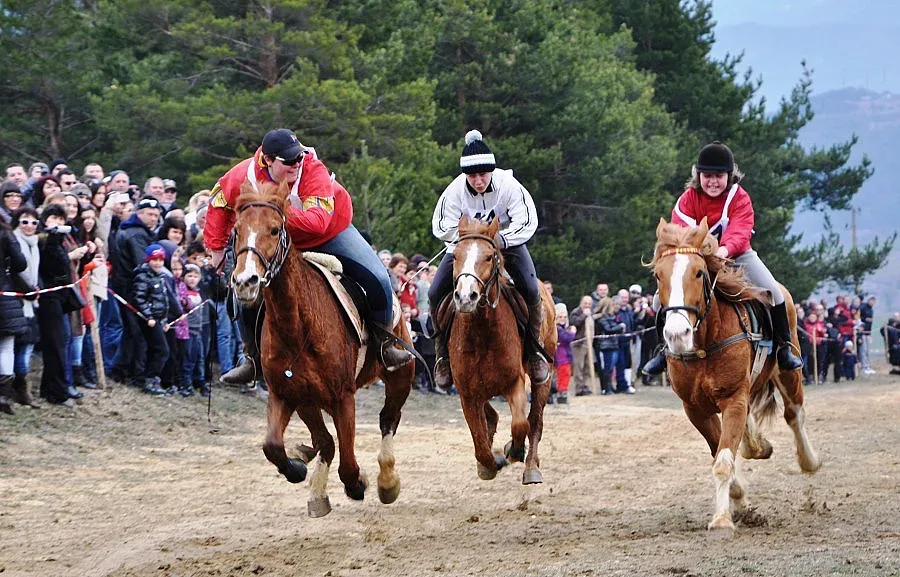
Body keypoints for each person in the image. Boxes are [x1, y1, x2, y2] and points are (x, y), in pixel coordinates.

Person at [203, 128, 414, 385]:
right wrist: (216, 248)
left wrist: (273, 213)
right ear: (267, 160)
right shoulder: (244, 175)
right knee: (241, 291)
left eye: (298, 157)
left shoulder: (313, 170)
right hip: (275, 240)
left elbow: (317, 223)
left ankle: (385, 344)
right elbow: (218, 202)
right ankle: (252, 358)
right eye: (289, 160)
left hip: (331, 233)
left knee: (378, 277)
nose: (297, 163)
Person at [643, 141, 804, 376]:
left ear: (729, 176)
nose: (713, 181)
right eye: (707, 175)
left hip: (737, 256)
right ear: (698, 176)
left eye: (719, 176)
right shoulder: (687, 199)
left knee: (774, 292)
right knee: (659, 301)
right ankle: (662, 351)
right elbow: (678, 231)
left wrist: (724, 250)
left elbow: (741, 229)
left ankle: (783, 348)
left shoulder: (739, 197)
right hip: (696, 260)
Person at [428, 129, 548, 389]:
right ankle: (442, 356)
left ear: (491, 171)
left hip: (506, 243)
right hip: (467, 246)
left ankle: (534, 351)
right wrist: (469, 238)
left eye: (483, 174)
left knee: (529, 289)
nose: (478, 181)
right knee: (435, 292)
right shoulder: (455, 190)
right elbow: (440, 225)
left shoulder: (509, 185)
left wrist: (499, 240)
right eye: (472, 176)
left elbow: (527, 221)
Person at [130, 244, 172, 395]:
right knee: (162, 350)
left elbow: (164, 301)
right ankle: (150, 379)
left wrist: (164, 320)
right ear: (148, 260)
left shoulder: (160, 276)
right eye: (154, 259)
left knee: (158, 350)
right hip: (149, 320)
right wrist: (149, 316)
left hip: (159, 320)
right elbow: (139, 298)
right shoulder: (143, 276)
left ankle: (153, 379)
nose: (158, 263)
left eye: (161, 260)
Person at [0, 216, 28, 414]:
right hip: (4, 292)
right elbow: (20, 263)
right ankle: (4, 395)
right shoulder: (5, 232)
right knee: (6, 347)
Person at [554, 303, 576, 404]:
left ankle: (563, 393)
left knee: (566, 375)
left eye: (565, 317)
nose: (562, 319)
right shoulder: (557, 328)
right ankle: (561, 395)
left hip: (565, 356)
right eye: (560, 317)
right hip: (561, 357)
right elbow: (566, 338)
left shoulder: (562, 328)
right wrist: (572, 332)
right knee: (563, 375)